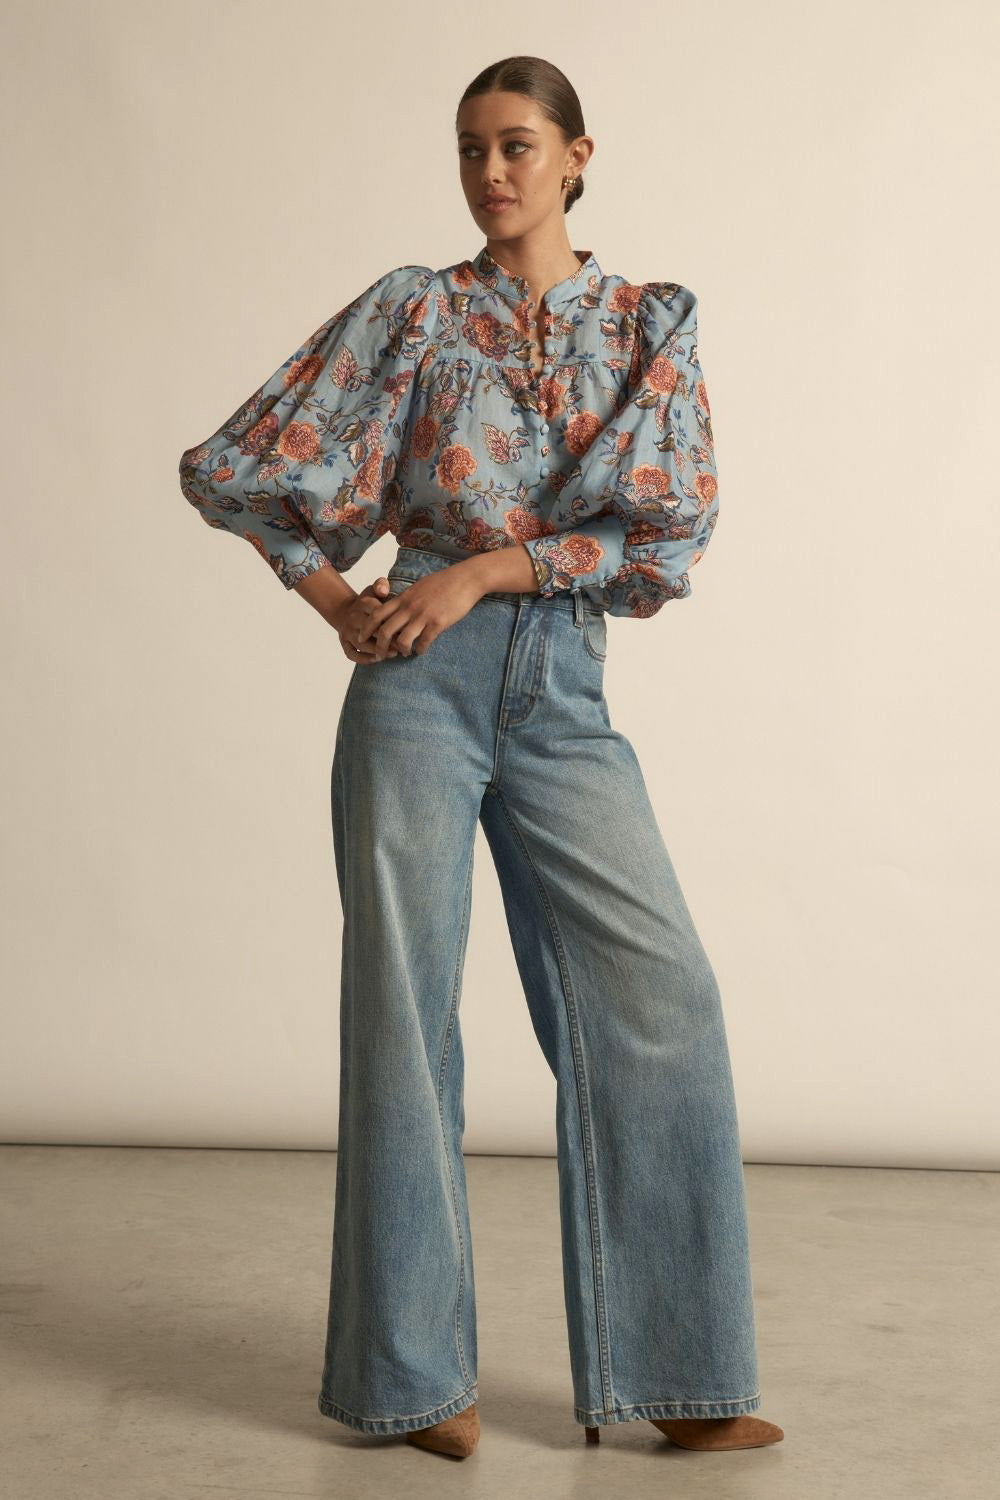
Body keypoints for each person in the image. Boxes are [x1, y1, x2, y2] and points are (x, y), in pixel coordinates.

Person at [178, 53, 785, 1462]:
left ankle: (685, 1379)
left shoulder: (648, 324)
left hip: (561, 690)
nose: (491, 173)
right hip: (418, 696)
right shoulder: (414, 312)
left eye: (518, 145)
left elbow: (669, 529)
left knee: (662, 1001)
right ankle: (411, 1381)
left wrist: (486, 570)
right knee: (403, 1015)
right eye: (470, 150)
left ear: (579, 155)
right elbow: (233, 467)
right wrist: (343, 601)